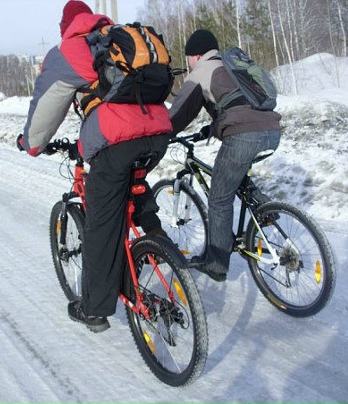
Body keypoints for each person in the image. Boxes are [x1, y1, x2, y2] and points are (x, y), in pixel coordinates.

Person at [18, 1, 172, 332]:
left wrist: (31, 143)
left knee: (101, 225)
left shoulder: (69, 50)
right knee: (131, 181)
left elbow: (47, 106)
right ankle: (157, 239)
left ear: (65, 27)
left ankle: (94, 310)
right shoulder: (116, 36)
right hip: (158, 132)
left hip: (116, 140)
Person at [168, 29, 281, 282]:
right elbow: (235, 103)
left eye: (188, 58)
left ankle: (216, 265)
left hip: (245, 135)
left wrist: (160, 135)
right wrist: (212, 128)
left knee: (219, 200)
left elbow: (177, 114)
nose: (189, 63)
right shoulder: (230, 65)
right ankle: (263, 207)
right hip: (272, 129)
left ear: (196, 55)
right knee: (236, 175)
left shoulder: (201, 71)